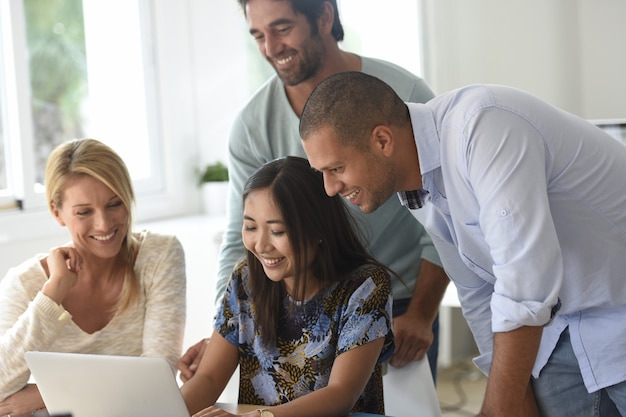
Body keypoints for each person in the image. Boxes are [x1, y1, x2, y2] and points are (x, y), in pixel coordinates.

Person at [298, 70, 626, 417]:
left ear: (382, 140)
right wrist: (517, 401)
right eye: (322, 173)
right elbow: (477, 291)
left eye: (336, 168)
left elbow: (525, 282)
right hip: (558, 329)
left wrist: (499, 409)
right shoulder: (414, 185)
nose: (330, 188)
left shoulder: (483, 127)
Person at [178, 0, 448, 384]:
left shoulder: (404, 93)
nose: (270, 47)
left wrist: (422, 312)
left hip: (398, 304)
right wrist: (223, 331)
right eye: (258, 35)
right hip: (295, 310)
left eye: (282, 28)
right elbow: (241, 240)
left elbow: (443, 218)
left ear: (324, 16)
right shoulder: (253, 125)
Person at [180, 156, 394, 417]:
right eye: (250, 227)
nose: (260, 245)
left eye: (277, 231)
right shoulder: (245, 279)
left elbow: (341, 395)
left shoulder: (365, 286)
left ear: (317, 229)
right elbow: (209, 379)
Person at [0, 138, 186, 417]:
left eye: (114, 204)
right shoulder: (24, 283)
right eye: (84, 212)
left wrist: (45, 394)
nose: (104, 224)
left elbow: (158, 377)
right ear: (56, 212)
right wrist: (53, 293)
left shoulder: (160, 255)